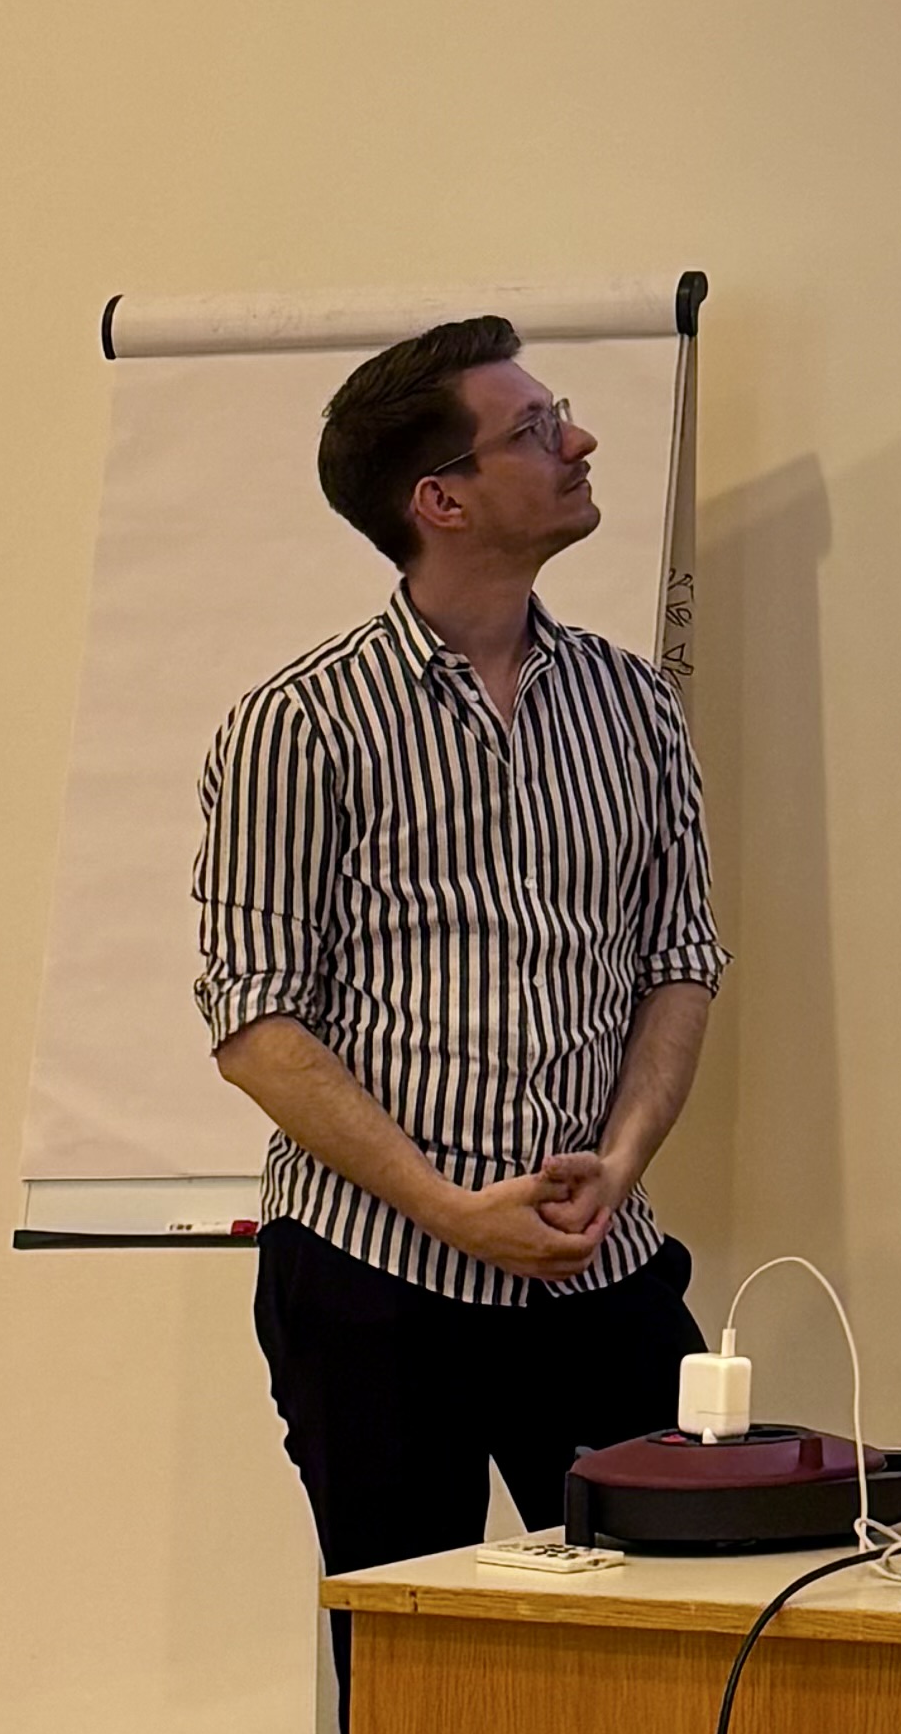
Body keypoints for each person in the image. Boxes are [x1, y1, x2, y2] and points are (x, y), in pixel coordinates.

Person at [196, 318, 722, 1620]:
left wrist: (622, 1163)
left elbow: (680, 962)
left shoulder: (633, 706)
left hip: (600, 1267)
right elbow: (256, 1020)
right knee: (410, 1662)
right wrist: (449, 1207)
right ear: (441, 500)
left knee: (682, 1643)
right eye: (535, 430)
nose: (579, 440)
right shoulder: (301, 723)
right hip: (374, 1277)